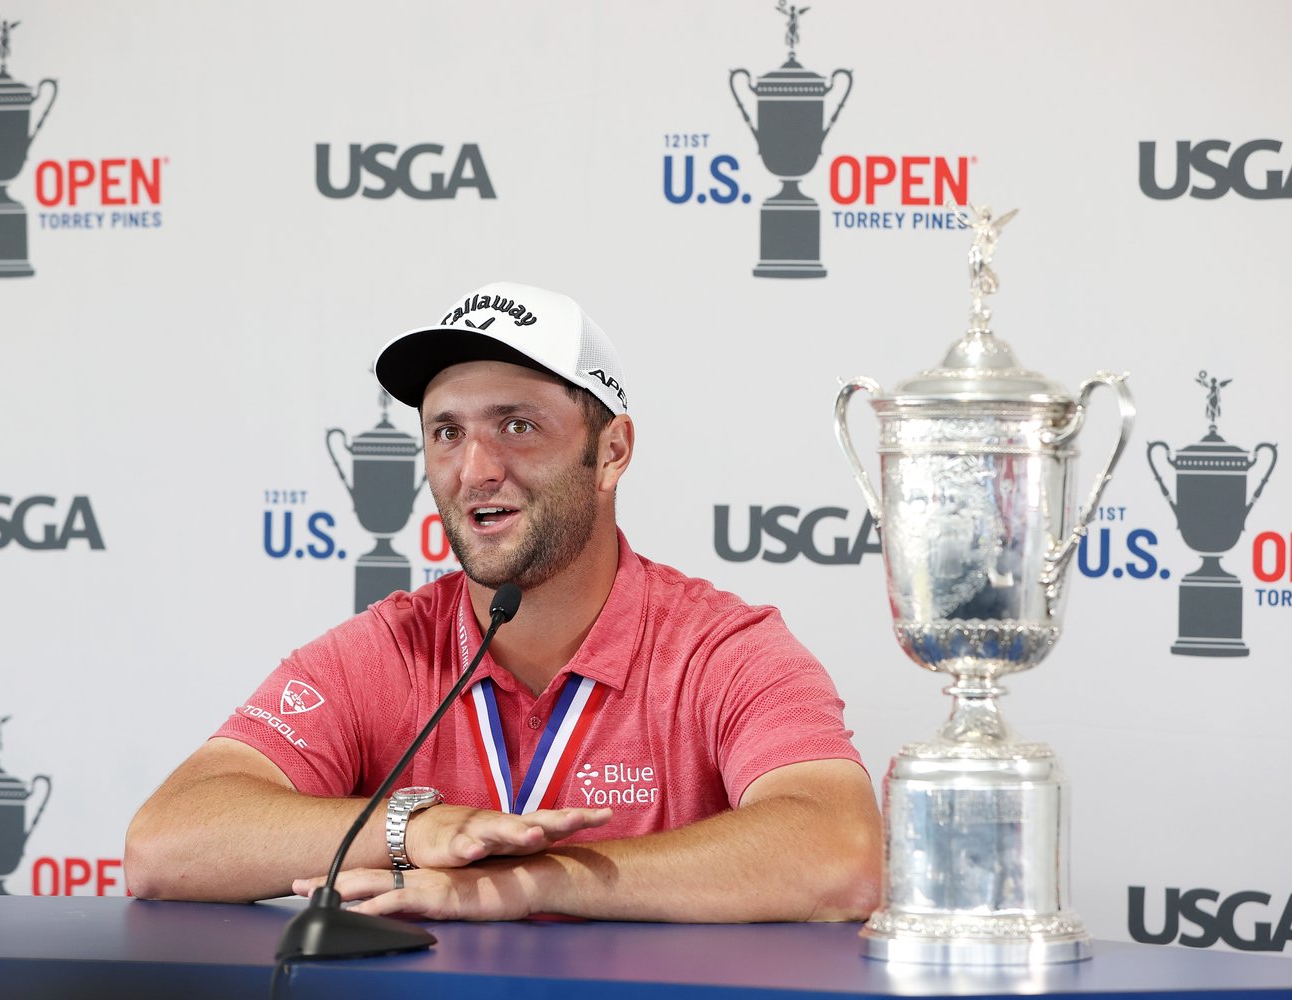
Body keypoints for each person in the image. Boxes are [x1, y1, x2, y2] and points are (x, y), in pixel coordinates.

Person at [124, 281, 882, 922]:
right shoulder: (386, 649)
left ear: (611, 451)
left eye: (517, 426)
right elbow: (164, 846)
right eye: (446, 432)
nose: (476, 469)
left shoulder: (723, 649)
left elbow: (843, 853)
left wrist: (534, 881)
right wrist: (411, 828)